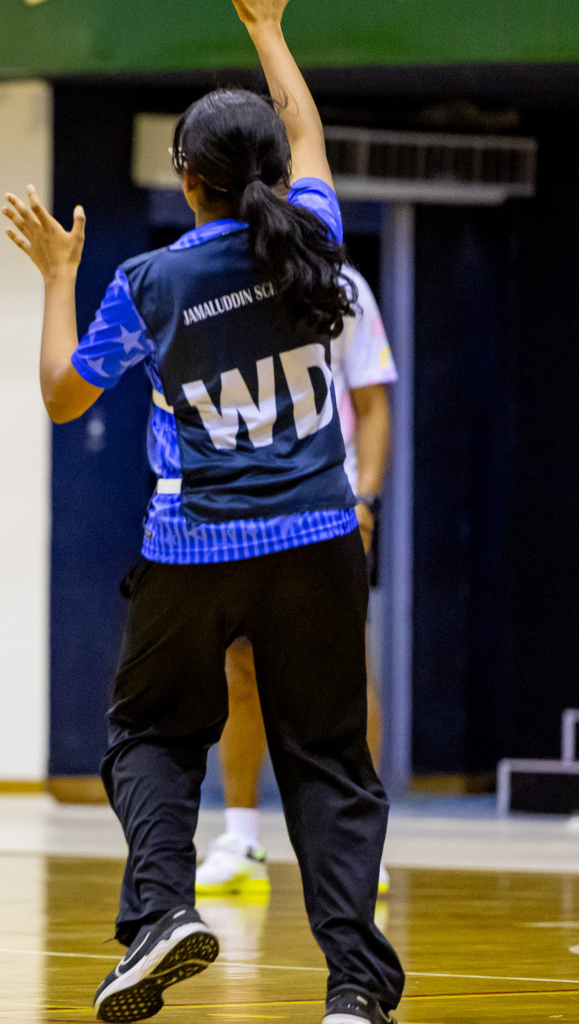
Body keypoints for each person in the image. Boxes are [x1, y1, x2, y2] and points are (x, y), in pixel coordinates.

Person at [2, 0, 405, 1020]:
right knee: (330, 765)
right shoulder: (318, 239)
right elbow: (304, 128)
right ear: (272, 173)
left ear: (187, 179)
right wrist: (269, 28)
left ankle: (163, 913)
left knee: (149, 731)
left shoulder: (148, 282)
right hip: (319, 540)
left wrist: (58, 277)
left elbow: (61, 396)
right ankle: (354, 989)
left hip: (194, 543)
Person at [197, 264, 398, 898]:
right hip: (243, 505)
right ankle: (240, 835)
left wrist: (366, 498)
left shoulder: (340, 285)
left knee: (346, 670)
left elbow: (371, 404)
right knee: (240, 665)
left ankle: (359, 841)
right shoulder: (218, 273)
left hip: (327, 504)